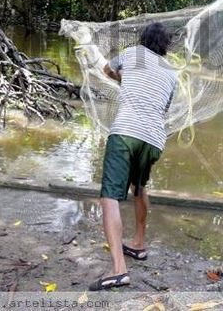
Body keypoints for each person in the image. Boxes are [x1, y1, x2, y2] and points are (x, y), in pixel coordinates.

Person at [89, 22, 176, 291]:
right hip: (153, 140)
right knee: (139, 188)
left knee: (110, 196)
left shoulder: (133, 54)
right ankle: (138, 244)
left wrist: (121, 79)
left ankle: (118, 269)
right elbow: (163, 105)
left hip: (126, 131)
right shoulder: (171, 73)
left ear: (143, 39)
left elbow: (106, 70)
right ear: (164, 46)